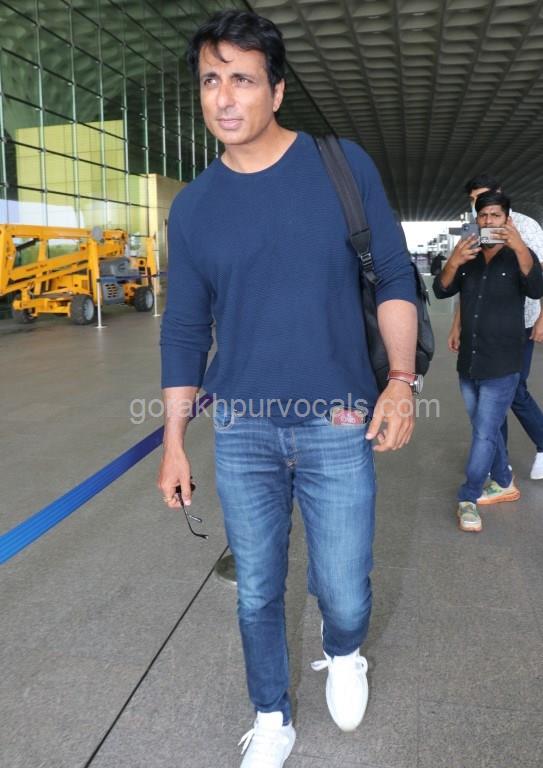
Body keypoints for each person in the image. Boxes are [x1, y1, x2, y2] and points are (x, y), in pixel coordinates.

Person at [158, 10, 418, 767]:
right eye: (211, 79)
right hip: (241, 429)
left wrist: (401, 383)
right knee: (255, 588)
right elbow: (184, 329)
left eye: (242, 79)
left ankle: (344, 649)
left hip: (336, 420)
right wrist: (174, 442)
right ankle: (271, 713)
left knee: (343, 586)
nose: (223, 97)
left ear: (275, 91)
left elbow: (394, 277)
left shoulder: (339, 166)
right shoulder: (195, 207)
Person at [434, 191, 543, 533]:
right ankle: (504, 480)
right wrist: (454, 261)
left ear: (507, 220)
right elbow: (441, 290)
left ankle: (468, 496)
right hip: (469, 362)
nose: (489, 221)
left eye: (496, 216)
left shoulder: (519, 257)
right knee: (487, 427)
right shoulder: (468, 256)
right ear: (477, 220)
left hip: (503, 363)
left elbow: (536, 288)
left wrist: (520, 246)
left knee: (483, 433)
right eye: (483, 216)